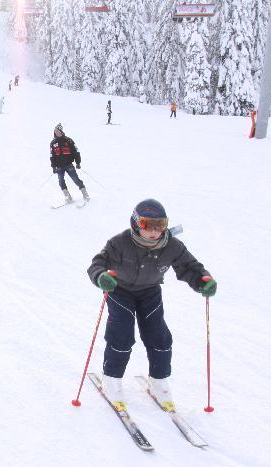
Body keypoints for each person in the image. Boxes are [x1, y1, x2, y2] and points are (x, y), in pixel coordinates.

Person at [87, 199, 215, 403]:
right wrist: (101, 276)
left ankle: (159, 381)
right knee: (121, 336)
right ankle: (111, 379)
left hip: (150, 292)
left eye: (161, 225)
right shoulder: (119, 242)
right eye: (147, 225)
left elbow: (190, 267)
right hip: (120, 291)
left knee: (160, 338)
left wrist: (202, 281)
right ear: (136, 223)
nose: (154, 231)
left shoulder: (172, 246)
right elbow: (97, 264)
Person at [50, 123, 88, 203]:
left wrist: (78, 162)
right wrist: (53, 167)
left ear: (61, 131)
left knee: (76, 179)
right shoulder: (53, 143)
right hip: (59, 167)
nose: (56, 132)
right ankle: (68, 197)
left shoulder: (68, 140)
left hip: (68, 165)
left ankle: (85, 193)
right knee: (61, 181)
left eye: (58, 131)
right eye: (55, 131)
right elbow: (52, 156)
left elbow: (76, 152)